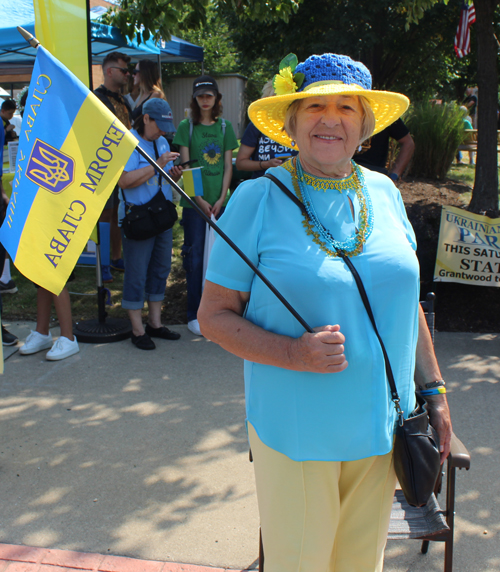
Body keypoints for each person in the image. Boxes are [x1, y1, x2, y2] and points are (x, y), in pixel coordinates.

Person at [198, 53, 452, 572]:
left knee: (362, 565)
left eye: (345, 106)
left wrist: (436, 391)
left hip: (383, 428)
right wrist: (293, 352)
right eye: (314, 105)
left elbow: (405, 308)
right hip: (297, 433)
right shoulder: (256, 200)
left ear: (364, 124)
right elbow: (213, 316)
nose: (330, 118)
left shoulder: (384, 192)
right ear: (291, 123)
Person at [172, 75, 238, 336]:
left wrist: (221, 199)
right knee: (196, 258)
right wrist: (199, 200)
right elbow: (188, 167)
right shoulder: (186, 127)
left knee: (221, 259)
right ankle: (194, 313)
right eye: (201, 96)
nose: (205, 100)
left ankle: (221, 312)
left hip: (221, 205)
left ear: (217, 98)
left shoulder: (225, 128)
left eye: (209, 95)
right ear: (195, 99)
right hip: (194, 206)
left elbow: (227, 168)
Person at [117, 98, 182, 350]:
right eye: (160, 125)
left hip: (161, 217)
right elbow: (124, 181)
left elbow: (162, 173)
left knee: (160, 270)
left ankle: (155, 323)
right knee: (136, 273)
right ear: (146, 119)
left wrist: (173, 172)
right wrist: (159, 165)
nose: (163, 131)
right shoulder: (129, 143)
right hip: (139, 219)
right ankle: (137, 329)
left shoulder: (162, 142)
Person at [94, 52, 133, 282]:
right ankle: (103, 262)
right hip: (104, 165)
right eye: (124, 70)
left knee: (118, 213)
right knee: (105, 214)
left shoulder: (125, 100)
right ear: (109, 71)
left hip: (125, 166)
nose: (128, 75)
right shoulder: (96, 99)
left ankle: (116, 258)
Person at [236, 80, 298, 178]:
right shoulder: (257, 126)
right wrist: (266, 164)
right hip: (263, 184)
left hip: (294, 185)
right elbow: (240, 163)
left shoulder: (298, 125)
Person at [354, 117, 415, 182]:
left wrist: (394, 175)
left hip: (375, 176)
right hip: (345, 172)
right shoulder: (344, 115)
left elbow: (408, 143)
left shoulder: (386, 115)